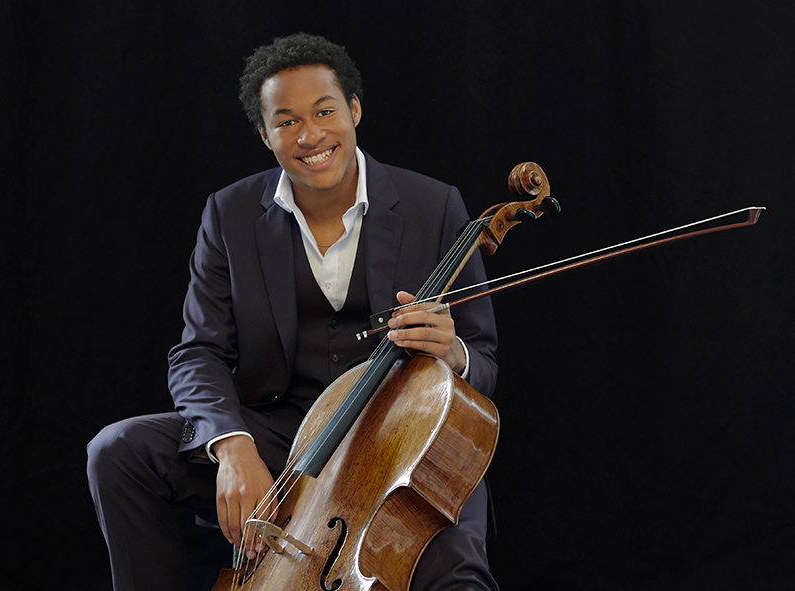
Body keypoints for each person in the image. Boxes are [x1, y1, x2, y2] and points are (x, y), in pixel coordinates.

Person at [87, 32, 500, 591]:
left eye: (325, 111)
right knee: (118, 451)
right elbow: (198, 351)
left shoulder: (436, 205)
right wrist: (231, 445)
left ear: (354, 110)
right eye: (286, 121)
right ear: (265, 135)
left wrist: (452, 352)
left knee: (453, 572)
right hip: (276, 431)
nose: (310, 135)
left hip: (398, 438)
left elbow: (484, 360)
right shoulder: (229, 213)